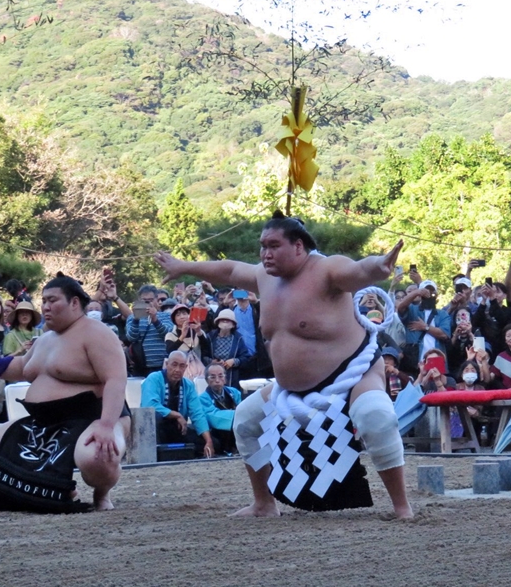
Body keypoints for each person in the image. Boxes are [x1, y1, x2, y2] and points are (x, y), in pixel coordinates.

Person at [154, 212, 413, 518]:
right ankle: (264, 503)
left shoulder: (327, 270)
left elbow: (358, 270)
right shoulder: (264, 278)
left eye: (274, 246)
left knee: (375, 416)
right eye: (263, 246)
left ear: (299, 246)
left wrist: (379, 265)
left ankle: (401, 506)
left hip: (352, 374)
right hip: (290, 390)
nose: (266, 253)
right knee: (245, 422)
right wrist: (184, 266)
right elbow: (229, 269)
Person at [0, 274, 132, 512]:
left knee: (97, 456)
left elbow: (116, 379)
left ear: (74, 302)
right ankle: (61, 489)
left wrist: (106, 425)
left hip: (94, 415)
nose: (45, 307)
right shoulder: (44, 339)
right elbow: (23, 367)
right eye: (44, 301)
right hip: (47, 420)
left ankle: (102, 494)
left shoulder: (97, 333)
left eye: (52, 300)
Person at [140, 351, 215, 458]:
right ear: (167, 364)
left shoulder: (188, 385)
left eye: (182, 366)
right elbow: (149, 405)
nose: (177, 370)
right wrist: (177, 415)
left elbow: (197, 413)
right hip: (155, 429)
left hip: (178, 429)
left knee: (214, 443)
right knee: (156, 417)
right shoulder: (153, 378)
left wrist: (208, 440)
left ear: (186, 367)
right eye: (174, 365)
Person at [125, 285, 171, 376]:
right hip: (141, 364)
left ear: (156, 299)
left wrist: (155, 320)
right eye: (144, 300)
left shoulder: (166, 316)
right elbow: (131, 337)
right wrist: (136, 319)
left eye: (150, 300)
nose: (148, 303)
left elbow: (167, 334)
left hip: (162, 364)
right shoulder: (132, 317)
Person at [199, 363, 243, 455]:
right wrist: (237, 414)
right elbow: (213, 417)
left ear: (225, 378)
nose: (217, 380)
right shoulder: (202, 398)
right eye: (212, 377)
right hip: (216, 433)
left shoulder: (234, 392)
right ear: (207, 380)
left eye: (220, 376)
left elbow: (243, 409)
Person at [204, 308, 251, 389]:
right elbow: (203, 355)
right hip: (212, 374)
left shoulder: (238, 338)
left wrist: (234, 361)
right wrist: (212, 362)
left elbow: (246, 357)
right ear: (218, 323)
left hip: (231, 377)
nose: (225, 322)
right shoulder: (210, 337)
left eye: (228, 320)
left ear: (233, 325)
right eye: (222, 320)